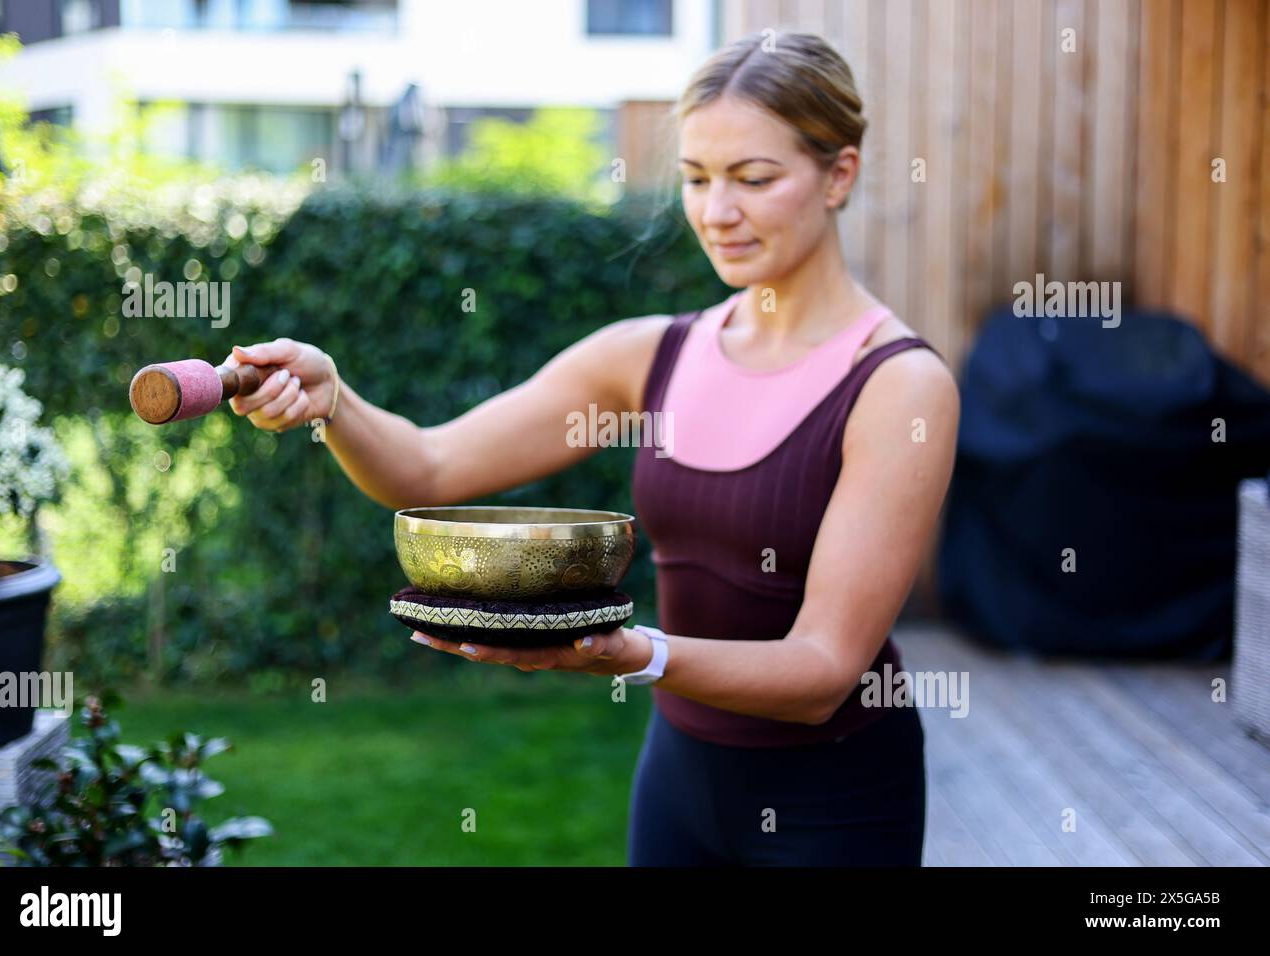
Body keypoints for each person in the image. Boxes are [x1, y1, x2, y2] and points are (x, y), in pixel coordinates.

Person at [224, 31, 958, 866]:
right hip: (677, 783)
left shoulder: (899, 387)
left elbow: (823, 670)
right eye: (695, 178)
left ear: (840, 175)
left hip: (837, 803)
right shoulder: (649, 355)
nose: (717, 211)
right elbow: (426, 469)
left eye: (754, 179)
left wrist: (631, 653)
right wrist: (334, 399)